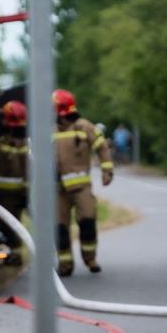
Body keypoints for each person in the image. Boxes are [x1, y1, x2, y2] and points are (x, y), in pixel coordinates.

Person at [52, 89, 114, 276]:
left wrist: (107, 169)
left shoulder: (84, 126)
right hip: (58, 190)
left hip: (81, 188)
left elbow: (101, 147)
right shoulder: (49, 130)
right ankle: (65, 264)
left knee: (87, 221)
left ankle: (90, 259)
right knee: (60, 228)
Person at [0, 100, 29, 265]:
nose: (2, 121)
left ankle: (15, 257)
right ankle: (9, 256)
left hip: (11, 195)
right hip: (3, 193)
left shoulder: (17, 144)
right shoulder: (7, 140)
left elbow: (26, 169)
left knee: (11, 227)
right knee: (4, 226)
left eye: (5, 118)